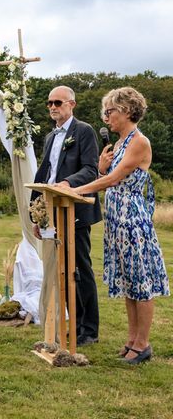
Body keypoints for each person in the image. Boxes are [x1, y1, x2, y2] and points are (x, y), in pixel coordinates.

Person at [61, 87, 169, 364]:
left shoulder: (139, 142)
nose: (106, 117)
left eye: (110, 111)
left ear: (128, 111)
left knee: (141, 283)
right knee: (129, 281)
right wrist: (100, 167)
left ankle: (143, 344)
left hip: (133, 220)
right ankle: (132, 339)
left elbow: (114, 180)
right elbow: (107, 176)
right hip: (116, 220)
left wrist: (77, 190)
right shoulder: (119, 144)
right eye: (105, 112)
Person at [31, 86, 102, 346]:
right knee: (61, 269)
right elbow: (44, 175)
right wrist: (36, 214)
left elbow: (90, 170)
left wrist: (66, 184)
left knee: (80, 268)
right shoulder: (50, 137)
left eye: (57, 102)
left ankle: (89, 330)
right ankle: (73, 323)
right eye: (49, 102)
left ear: (71, 104)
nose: (52, 107)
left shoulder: (83, 131)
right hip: (52, 208)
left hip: (76, 209)